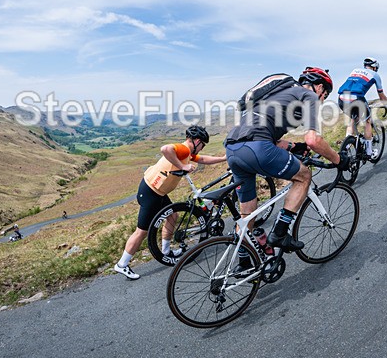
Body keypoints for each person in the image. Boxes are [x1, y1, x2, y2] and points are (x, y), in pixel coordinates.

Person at [224, 67, 348, 269]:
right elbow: (313, 139)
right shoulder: (308, 96)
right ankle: (280, 233)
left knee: (247, 214)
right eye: (325, 95)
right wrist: (338, 160)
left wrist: (295, 146)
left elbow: (273, 139)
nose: (323, 99)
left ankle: (244, 262)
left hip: (233, 149)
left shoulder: (277, 96)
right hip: (258, 147)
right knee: (303, 176)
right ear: (319, 87)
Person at [113, 125, 227, 280]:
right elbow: (165, 148)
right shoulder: (184, 149)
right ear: (197, 141)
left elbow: (203, 159)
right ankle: (122, 264)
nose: (202, 148)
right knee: (141, 231)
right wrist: (182, 166)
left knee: (172, 217)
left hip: (158, 193)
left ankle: (166, 251)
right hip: (150, 192)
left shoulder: (187, 152)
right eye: (202, 145)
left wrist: (223, 158)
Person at [336, 57, 387, 159]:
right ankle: (369, 152)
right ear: (374, 67)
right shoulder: (375, 75)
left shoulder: (355, 70)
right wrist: (385, 104)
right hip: (356, 98)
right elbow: (381, 94)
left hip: (341, 97)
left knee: (353, 119)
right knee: (367, 122)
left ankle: (346, 147)